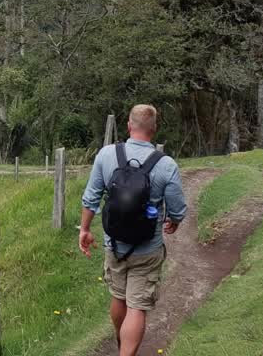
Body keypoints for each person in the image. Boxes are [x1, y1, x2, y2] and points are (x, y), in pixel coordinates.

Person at [78, 104, 186, 356]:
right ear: (154, 129)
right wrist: (174, 220)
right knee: (137, 307)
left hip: (114, 244)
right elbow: (177, 209)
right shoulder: (166, 164)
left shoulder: (106, 155)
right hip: (148, 248)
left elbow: (91, 198)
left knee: (118, 296)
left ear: (129, 125)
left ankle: (121, 341)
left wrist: (84, 229)